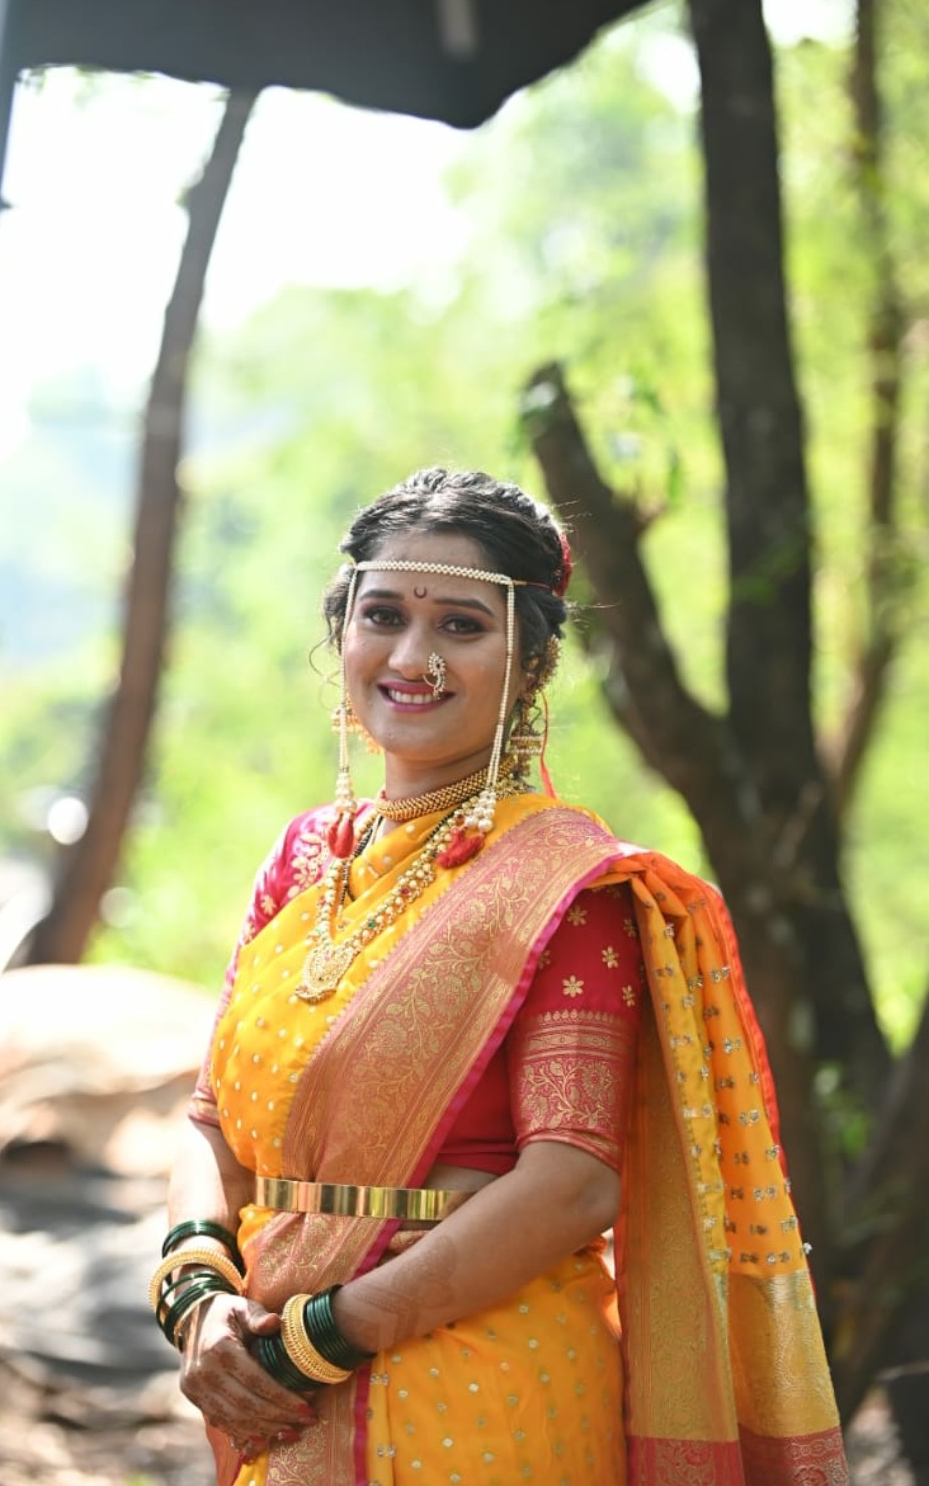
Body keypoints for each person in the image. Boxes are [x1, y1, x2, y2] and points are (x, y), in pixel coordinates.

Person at [157, 468, 848, 1485]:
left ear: (531, 661)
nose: (413, 657)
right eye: (383, 615)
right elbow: (210, 1119)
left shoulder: (567, 889)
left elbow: (571, 1183)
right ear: (341, 631)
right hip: (267, 1378)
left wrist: (321, 1335)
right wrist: (196, 1293)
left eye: (462, 626)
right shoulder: (304, 860)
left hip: (477, 1393)